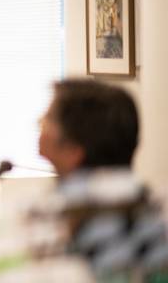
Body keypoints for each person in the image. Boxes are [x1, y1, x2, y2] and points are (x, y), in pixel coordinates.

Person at [35, 79, 168, 278]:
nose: (40, 121)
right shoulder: (145, 200)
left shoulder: (74, 211)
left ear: (73, 150)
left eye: (49, 118)